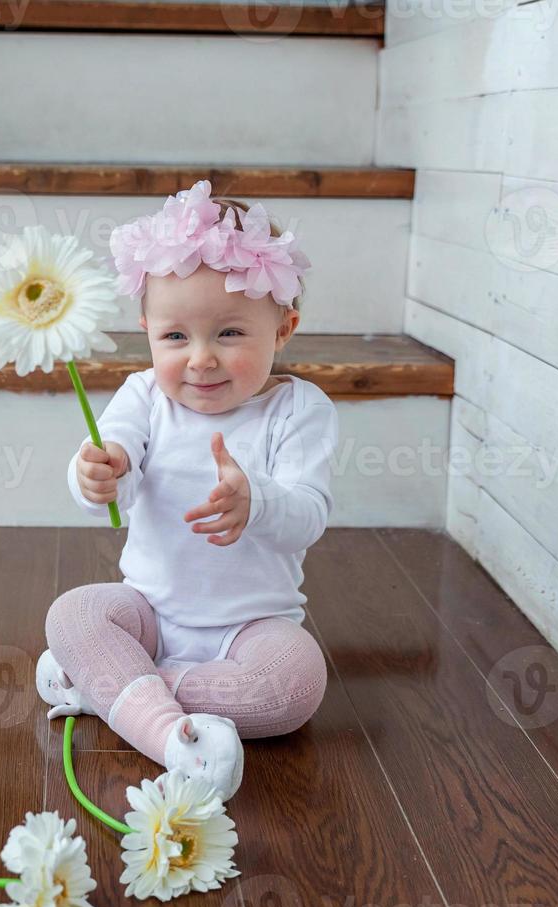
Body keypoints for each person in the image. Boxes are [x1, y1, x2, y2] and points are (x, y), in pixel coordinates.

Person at [37, 181, 338, 801]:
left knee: (296, 684)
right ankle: (175, 735)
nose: (200, 358)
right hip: (150, 612)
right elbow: (112, 454)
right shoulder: (144, 396)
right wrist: (96, 472)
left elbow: (308, 515)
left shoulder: (298, 410)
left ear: (284, 328)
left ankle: (119, 691)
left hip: (250, 629)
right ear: (147, 329)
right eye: (176, 337)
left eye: (229, 334)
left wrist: (256, 501)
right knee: (73, 613)